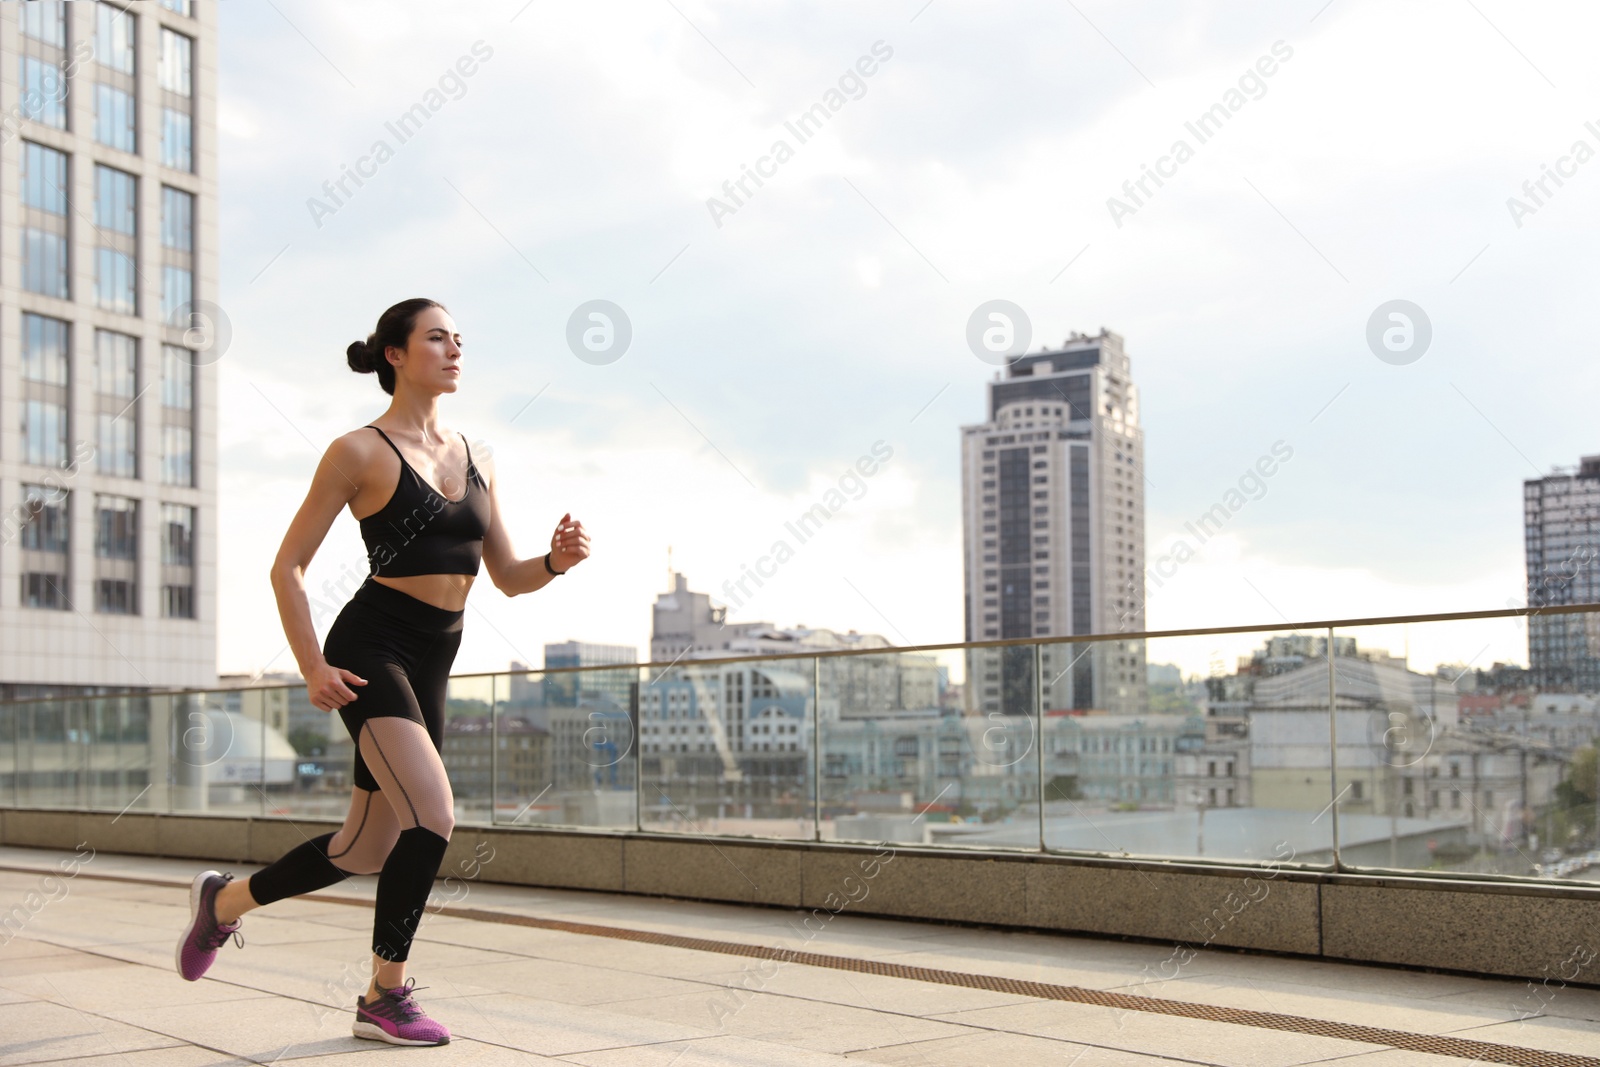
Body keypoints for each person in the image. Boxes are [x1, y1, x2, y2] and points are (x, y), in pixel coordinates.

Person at [174, 298, 589, 1046]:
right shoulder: (359, 452)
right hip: (372, 650)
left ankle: (225, 901)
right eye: (437, 337)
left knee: (365, 847)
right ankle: (383, 995)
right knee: (434, 812)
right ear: (395, 354)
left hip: (437, 656)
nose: (455, 347)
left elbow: (507, 576)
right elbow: (288, 567)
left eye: (459, 337)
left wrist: (555, 562)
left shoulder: (478, 453)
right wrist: (311, 665)